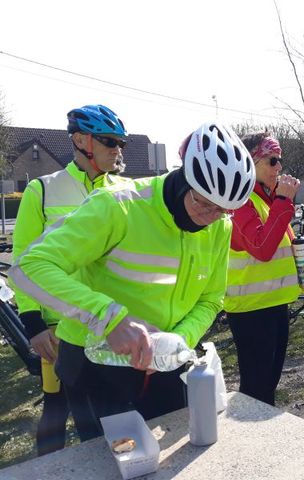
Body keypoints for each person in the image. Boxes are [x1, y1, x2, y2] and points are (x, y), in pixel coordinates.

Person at [9, 121, 255, 441]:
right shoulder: (117, 206)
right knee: (115, 462)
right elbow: (29, 267)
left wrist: (178, 341)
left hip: (161, 364)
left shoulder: (219, 226)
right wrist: (109, 318)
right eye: (203, 203)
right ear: (183, 178)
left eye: (223, 210)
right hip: (95, 364)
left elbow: (210, 298)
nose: (210, 217)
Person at [12, 104, 131, 455]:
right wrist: (33, 323)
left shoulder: (127, 190)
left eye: (120, 142)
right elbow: (24, 262)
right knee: (60, 407)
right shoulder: (43, 190)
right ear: (80, 140)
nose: (117, 149)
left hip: (112, 322)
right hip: (61, 327)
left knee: (114, 416)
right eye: (109, 141)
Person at [224, 131, 302, 406]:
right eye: (272, 160)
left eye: (279, 161)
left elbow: (281, 245)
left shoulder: (267, 199)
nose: (279, 168)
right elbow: (262, 248)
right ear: (249, 161)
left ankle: (264, 436)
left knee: (268, 384)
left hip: (274, 303)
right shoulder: (239, 200)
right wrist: (284, 202)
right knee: (256, 388)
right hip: (250, 309)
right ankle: (251, 441)